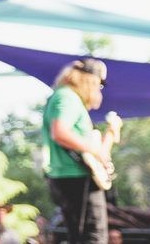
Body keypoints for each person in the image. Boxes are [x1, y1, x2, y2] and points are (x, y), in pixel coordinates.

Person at [42, 58, 122, 244]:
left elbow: (96, 153)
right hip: (74, 176)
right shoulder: (66, 96)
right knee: (94, 237)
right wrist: (94, 148)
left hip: (76, 175)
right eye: (98, 85)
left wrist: (109, 135)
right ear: (89, 80)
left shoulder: (70, 99)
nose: (98, 90)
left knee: (84, 237)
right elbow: (59, 132)